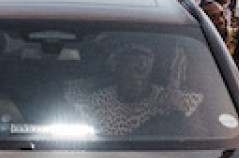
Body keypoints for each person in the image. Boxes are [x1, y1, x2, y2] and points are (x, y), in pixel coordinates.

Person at [66, 40, 203, 136]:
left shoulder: (175, 101)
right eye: (134, 54)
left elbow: (200, 138)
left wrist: (175, 113)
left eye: (146, 55)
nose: (141, 61)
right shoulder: (96, 102)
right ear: (116, 63)